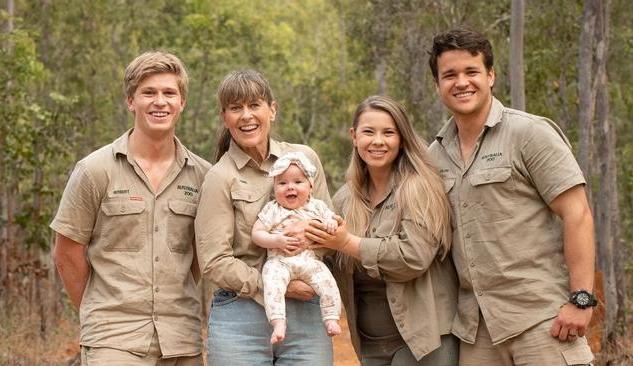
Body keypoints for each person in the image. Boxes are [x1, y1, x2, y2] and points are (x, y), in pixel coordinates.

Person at [427, 27, 596, 365]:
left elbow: (577, 213)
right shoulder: (434, 155)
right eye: (449, 75)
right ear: (438, 85)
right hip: (477, 332)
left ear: (490, 76)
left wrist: (581, 300)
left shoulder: (529, 134)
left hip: (541, 321)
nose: (461, 82)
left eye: (471, 72)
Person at [50, 51, 210, 365]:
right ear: (130, 101)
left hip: (181, 340)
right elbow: (66, 251)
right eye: (148, 92)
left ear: (182, 103)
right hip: (114, 341)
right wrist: (100, 313)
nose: (159, 102)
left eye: (169, 93)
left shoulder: (203, 176)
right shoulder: (95, 170)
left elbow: (199, 254)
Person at [306, 95, 459, 365]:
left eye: (388, 132)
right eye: (368, 132)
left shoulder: (419, 188)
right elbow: (328, 262)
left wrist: (347, 243)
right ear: (354, 136)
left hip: (422, 343)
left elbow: (413, 257)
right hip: (369, 345)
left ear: (401, 138)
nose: (378, 141)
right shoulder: (344, 199)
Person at [194, 69, 334, 366]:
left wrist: (309, 235)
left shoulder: (304, 159)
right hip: (240, 317)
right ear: (225, 117)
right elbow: (213, 261)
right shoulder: (220, 177)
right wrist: (274, 285)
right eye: (235, 108)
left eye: (254, 105)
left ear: (272, 109)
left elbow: (330, 232)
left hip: (308, 314)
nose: (246, 116)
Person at [252, 151, 342, 345]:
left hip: (309, 261)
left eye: (298, 182)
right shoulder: (272, 209)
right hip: (279, 261)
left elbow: (332, 220)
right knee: (271, 283)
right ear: (274, 188)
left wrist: (331, 223)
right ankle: (278, 322)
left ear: (311, 186)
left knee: (328, 282)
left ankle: (331, 317)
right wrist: (275, 240)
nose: (290, 187)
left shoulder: (318, 207)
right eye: (282, 183)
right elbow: (257, 233)